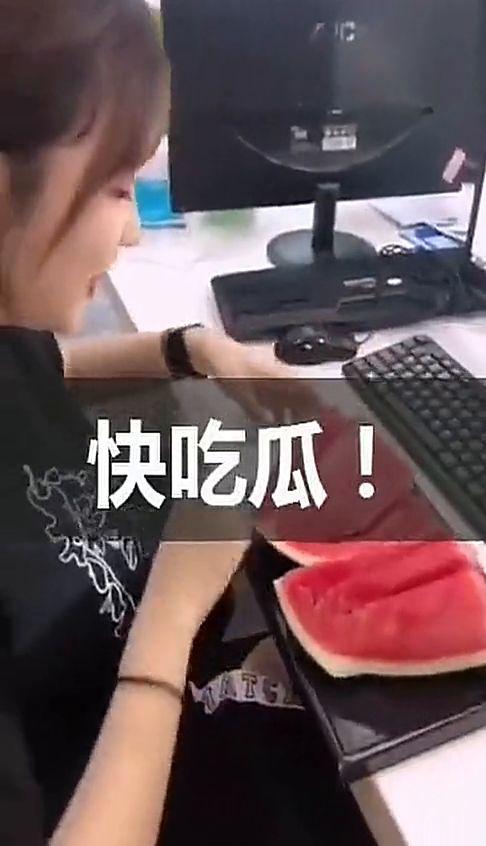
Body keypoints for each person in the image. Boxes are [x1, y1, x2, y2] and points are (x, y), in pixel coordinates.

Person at [0, 2, 376, 844]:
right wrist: (171, 617)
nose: (134, 231)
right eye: (115, 188)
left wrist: (191, 349)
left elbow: (45, 369)